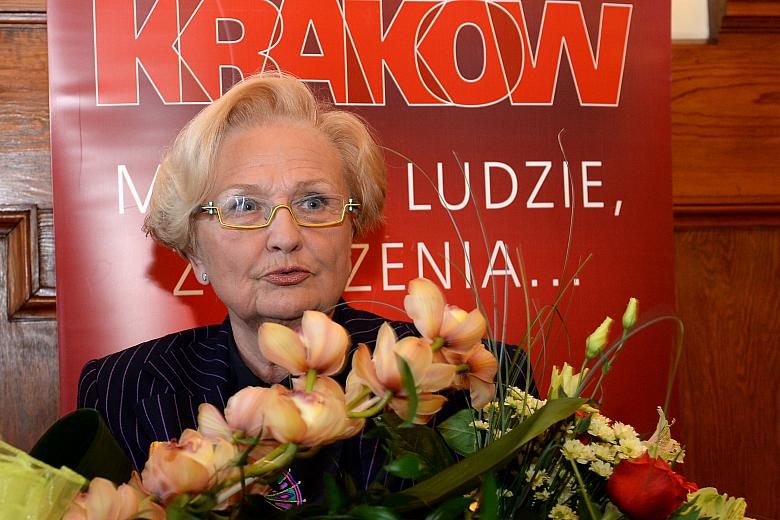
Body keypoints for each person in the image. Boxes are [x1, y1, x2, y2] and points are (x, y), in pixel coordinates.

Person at [77, 72, 532, 507]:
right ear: (195, 251)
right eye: (245, 205)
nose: (285, 236)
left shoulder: (472, 382)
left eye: (314, 202)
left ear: (354, 232)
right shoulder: (121, 390)